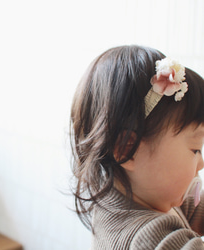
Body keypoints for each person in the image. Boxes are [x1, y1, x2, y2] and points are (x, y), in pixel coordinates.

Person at [70, 45, 204, 249]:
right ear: (127, 149)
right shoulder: (154, 239)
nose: (201, 163)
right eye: (195, 149)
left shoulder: (146, 193)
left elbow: (196, 204)